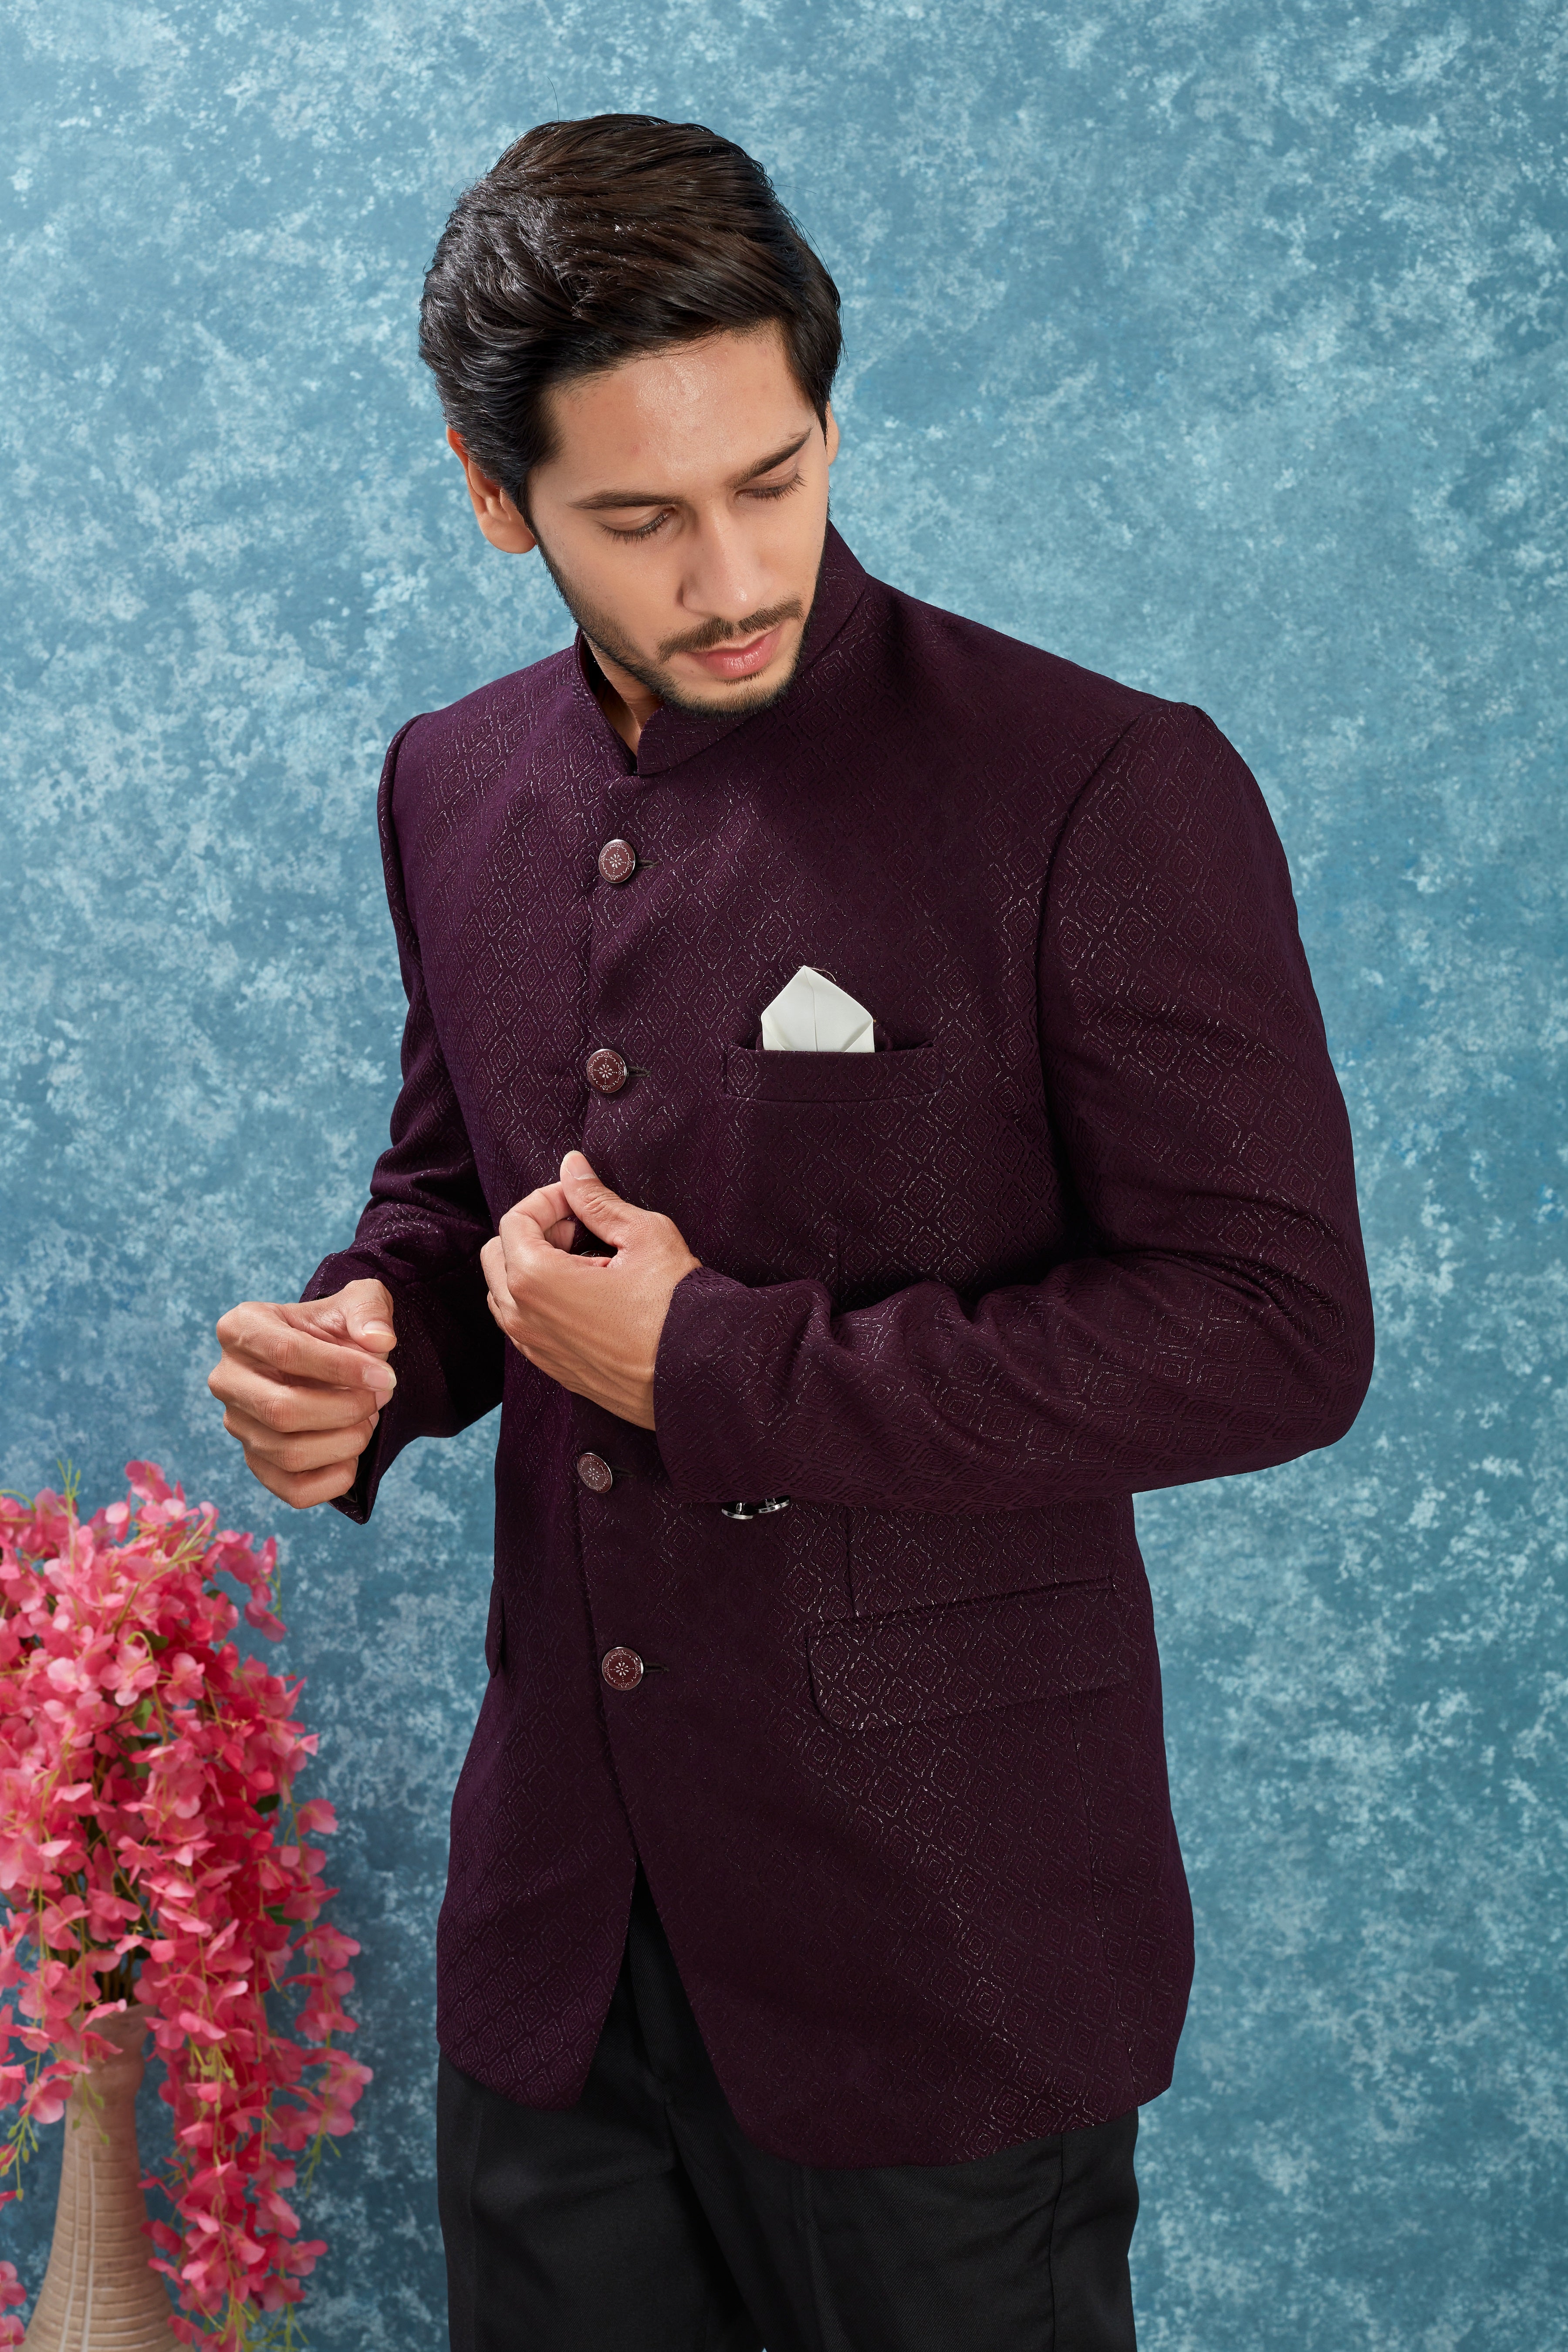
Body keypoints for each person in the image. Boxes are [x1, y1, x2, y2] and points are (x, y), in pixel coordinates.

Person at [209, 113, 1375, 2352]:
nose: (736, 571)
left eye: (776, 477)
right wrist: (369, 1349)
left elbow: (1273, 1328)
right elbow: (459, 1198)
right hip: (557, 1945)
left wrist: (710, 1362)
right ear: (495, 498)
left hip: (943, 1948)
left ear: (828, 417)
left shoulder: (1101, 788)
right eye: (641, 520)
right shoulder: (450, 780)